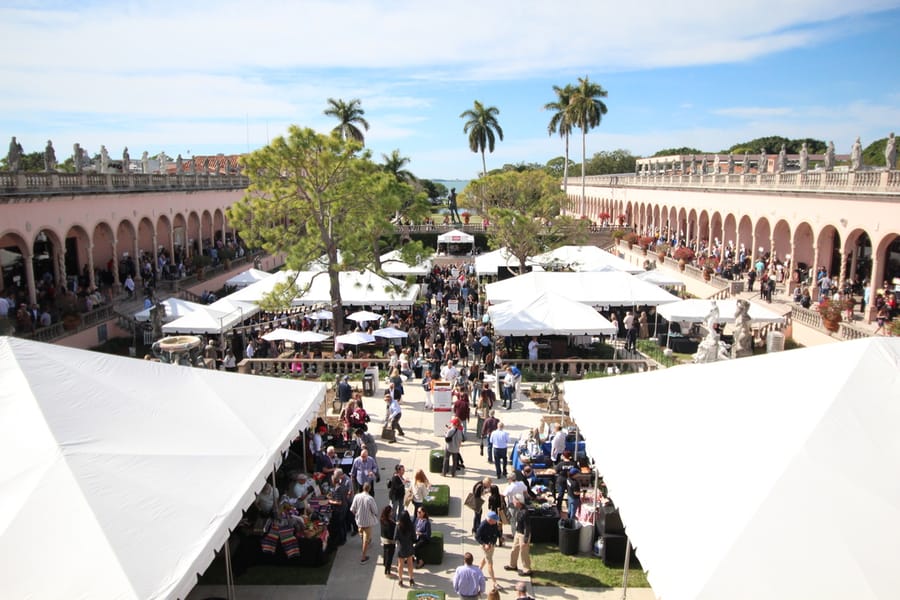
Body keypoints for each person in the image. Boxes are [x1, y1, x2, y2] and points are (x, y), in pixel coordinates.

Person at [503, 494, 533, 576]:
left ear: (518, 502)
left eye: (514, 500)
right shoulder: (518, 509)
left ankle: (527, 570)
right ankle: (513, 565)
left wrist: (526, 538)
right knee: (514, 549)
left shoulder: (525, 512)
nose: (513, 502)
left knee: (524, 552)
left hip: (523, 534)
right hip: (518, 532)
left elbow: (527, 526)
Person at [350, 482, 379, 564]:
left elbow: (352, 509)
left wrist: (357, 515)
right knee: (366, 540)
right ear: (369, 489)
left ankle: (366, 540)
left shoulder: (356, 496)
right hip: (367, 523)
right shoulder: (370, 499)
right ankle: (363, 558)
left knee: (362, 535)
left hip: (359, 521)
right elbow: (375, 511)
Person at [475, 511, 501, 589]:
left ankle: (478, 572)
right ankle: (494, 582)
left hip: (492, 545)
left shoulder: (494, 523)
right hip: (485, 546)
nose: (496, 521)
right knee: (490, 563)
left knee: (486, 558)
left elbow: (496, 531)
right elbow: (477, 536)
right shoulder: (483, 525)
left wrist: (500, 537)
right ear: (490, 520)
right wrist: (484, 544)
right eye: (495, 520)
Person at [394, 509, 416, 587]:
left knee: (400, 564)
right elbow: (414, 537)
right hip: (409, 546)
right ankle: (411, 579)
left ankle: (400, 579)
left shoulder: (398, 526)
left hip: (401, 547)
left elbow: (395, 537)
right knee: (410, 563)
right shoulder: (411, 526)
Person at [379, 505, 397, 577]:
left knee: (385, 553)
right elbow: (391, 534)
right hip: (390, 541)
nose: (392, 512)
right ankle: (387, 571)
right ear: (388, 512)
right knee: (389, 556)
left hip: (383, 539)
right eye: (391, 511)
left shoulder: (382, 519)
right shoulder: (390, 523)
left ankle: (385, 564)